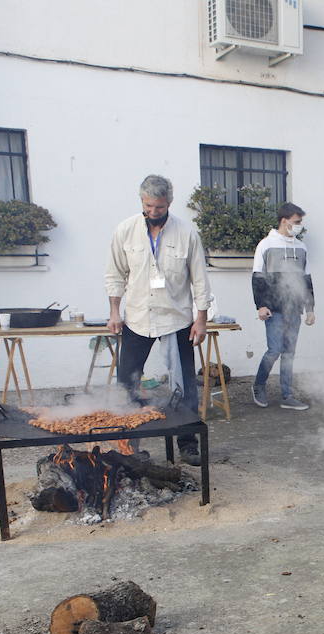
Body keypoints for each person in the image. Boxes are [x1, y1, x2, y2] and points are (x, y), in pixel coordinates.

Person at [105, 174, 211, 466]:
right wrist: (115, 312)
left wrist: (200, 320)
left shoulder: (186, 234)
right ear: (142, 201)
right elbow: (115, 275)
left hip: (176, 319)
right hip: (138, 318)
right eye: (148, 206)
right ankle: (127, 444)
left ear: (169, 203)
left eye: (159, 208)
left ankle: (187, 444)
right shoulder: (125, 231)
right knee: (127, 383)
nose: (153, 212)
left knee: (185, 385)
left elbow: (200, 280)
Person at [251, 202, 316, 410]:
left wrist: (310, 308)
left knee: (289, 352)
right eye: (297, 222)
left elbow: (306, 280)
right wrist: (260, 305)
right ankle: (259, 386)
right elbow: (257, 278)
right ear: (284, 221)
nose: (299, 226)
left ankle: (287, 395)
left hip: (293, 309)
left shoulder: (301, 247)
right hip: (274, 309)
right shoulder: (266, 245)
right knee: (274, 350)